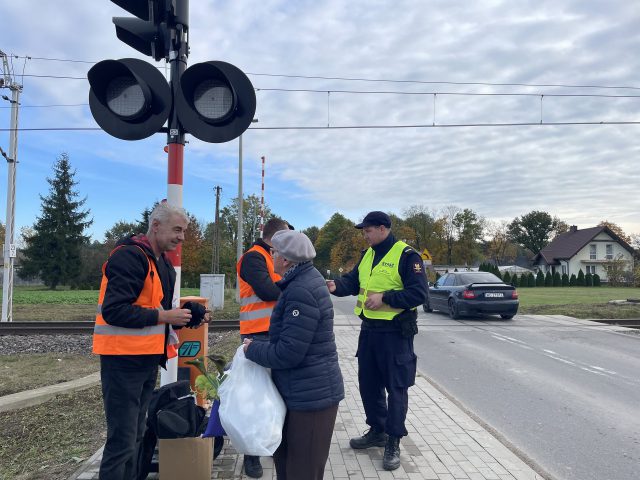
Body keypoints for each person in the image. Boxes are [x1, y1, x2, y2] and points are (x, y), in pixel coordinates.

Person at [92, 203, 193, 480]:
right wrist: (164, 315)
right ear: (156, 226)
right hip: (122, 361)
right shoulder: (129, 257)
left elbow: (157, 308)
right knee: (122, 440)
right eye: (177, 229)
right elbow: (115, 310)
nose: (181, 237)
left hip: (147, 360)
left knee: (136, 435)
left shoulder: (162, 264)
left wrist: (188, 315)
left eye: (183, 231)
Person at [326, 211, 427, 471]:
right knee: (368, 384)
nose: (365, 234)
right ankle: (378, 430)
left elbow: (418, 293)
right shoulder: (368, 254)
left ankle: (393, 440)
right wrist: (335, 286)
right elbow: (352, 282)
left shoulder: (407, 256)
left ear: (383, 229)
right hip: (369, 331)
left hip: (395, 334)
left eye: (368, 230)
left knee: (396, 388)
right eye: (364, 231)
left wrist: (386, 297)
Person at [244, 230, 344, 480]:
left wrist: (251, 349)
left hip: (311, 399)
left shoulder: (301, 290)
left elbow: (289, 353)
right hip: (302, 392)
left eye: (274, 252)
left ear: (286, 260)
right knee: (289, 468)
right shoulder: (302, 282)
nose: (272, 256)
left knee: (302, 471)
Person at [236, 217, 290, 477]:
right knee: (255, 397)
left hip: (274, 333)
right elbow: (268, 290)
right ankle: (251, 455)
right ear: (276, 236)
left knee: (276, 392)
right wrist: (294, 285)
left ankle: (272, 440)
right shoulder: (254, 258)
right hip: (256, 336)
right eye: (286, 237)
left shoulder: (272, 257)